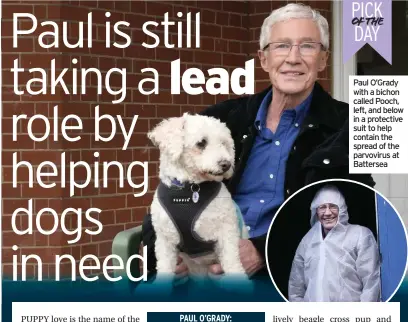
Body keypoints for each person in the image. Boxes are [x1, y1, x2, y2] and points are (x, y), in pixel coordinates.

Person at [142, 3, 375, 281]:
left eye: (308, 46)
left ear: (323, 59)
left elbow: (363, 217)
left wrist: (263, 252)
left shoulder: (354, 123)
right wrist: (162, 259)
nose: (293, 58)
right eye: (281, 46)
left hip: (289, 275)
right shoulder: (223, 119)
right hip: (199, 269)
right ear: (263, 59)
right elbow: (170, 186)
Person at [288, 185, 381, 302]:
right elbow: (296, 287)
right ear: (315, 211)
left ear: (342, 209)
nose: (327, 213)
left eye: (333, 207)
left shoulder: (360, 235)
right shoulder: (307, 241)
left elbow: (371, 281)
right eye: (322, 207)